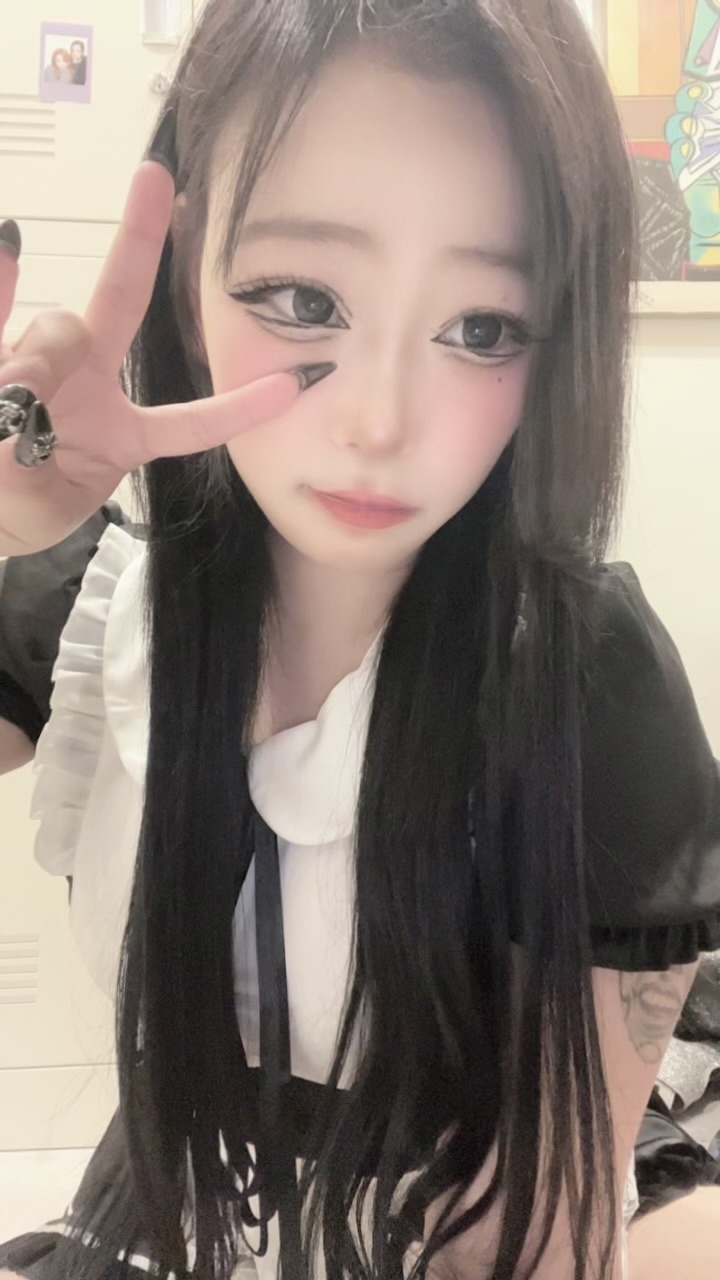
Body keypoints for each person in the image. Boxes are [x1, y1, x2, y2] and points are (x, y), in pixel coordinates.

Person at [0, 2, 718, 1278]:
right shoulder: (105, 592)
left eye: (483, 327)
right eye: (303, 299)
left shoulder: (581, 675)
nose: (383, 421)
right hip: (176, 1182)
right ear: (187, 274)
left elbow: (530, 1236)